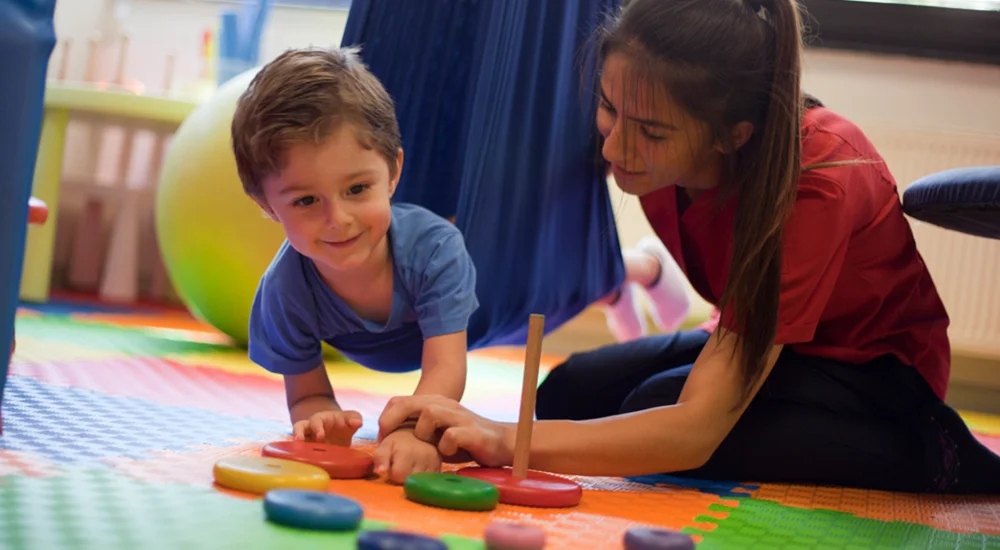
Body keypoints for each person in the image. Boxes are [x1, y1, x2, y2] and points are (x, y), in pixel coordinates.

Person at [376, 0, 1000, 493]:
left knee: (659, 413)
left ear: (733, 135)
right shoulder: (644, 120)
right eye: (608, 109)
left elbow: (695, 431)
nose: (614, 147)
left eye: (650, 133)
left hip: (872, 373)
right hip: (756, 339)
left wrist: (503, 438)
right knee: (570, 391)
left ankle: (943, 454)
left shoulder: (818, 179)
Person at [232, 47, 479, 483]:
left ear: (393, 172)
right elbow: (305, 396)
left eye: (358, 189)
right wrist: (320, 421)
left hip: (480, 306)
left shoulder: (437, 251)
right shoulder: (285, 291)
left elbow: (445, 368)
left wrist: (413, 431)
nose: (338, 219)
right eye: (306, 201)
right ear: (267, 206)